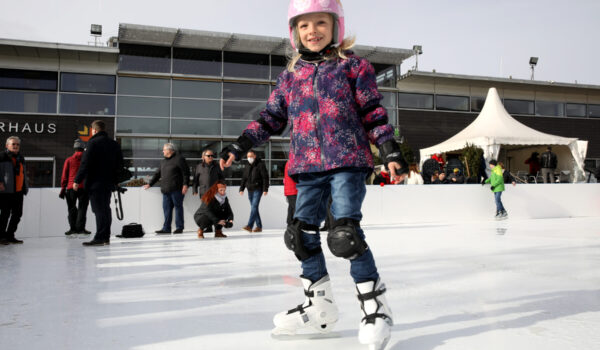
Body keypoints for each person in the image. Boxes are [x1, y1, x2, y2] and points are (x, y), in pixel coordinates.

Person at [219, 1, 406, 347]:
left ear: (336, 26)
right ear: (294, 33)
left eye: (320, 23)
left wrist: (389, 149)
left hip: (347, 160)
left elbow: (373, 112)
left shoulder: (353, 67)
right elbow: (270, 118)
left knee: (344, 235)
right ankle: (319, 305)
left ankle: (375, 307)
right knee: (300, 237)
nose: (312, 31)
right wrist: (238, 144)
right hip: (306, 166)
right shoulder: (291, 77)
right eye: (304, 26)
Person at [73, 120, 124, 246]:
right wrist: (116, 181)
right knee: (106, 209)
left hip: (95, 183)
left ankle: (100, 237)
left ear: (94, 130)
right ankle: (105, 237)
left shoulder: (92, 143)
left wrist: (77, 180)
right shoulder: (114, 144)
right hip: (108, 184)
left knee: (99, 210)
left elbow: (85, 163)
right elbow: (120, 165)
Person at [143, 143, 190, 234]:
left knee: (178, 208)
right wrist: (150, 184)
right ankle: (166, 229)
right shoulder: (163, 161)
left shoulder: (179, 159)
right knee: (167, 209)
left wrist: (185, 185)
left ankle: (179, 227)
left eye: (164, 149)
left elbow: (186, 173)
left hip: (177, 189)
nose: (163, 151)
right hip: (165, 190)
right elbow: (157, 174)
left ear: (170, 150)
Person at [0, 136, 28, 245]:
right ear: (7, 145)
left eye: (17, 144)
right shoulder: (2, 156)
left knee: (17, 214)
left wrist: (25, 186)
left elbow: (23, 173)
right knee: (4, 214)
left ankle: (10, 235)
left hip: (18, 191)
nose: (16, 146)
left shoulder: (21, 158)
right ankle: (1, 236)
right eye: (13, 144)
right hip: (5, 191)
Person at [59, 139, 90, 236]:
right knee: (82, 208)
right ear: (83, 148)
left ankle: (72, 229)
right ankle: (81, 229)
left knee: (72, 208)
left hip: (71, 187)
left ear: (75, 148)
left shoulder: (69, 160)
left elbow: (64, 176)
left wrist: (63, 189)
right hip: (84, 187)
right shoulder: (87, 160)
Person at [238, 150, 269, 233]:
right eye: (248, 157)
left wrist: (265, 189)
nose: (249, 158)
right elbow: (244, 178)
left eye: (251, 156)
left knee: (254, 207)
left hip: (258, 189)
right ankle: (259, 226)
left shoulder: (260, 165)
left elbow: (265, 177)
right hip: (249, 190)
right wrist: (241, 189)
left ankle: (249, 226)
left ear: (254, 156)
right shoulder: (247, 165)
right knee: (254, 208)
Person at [283, 161, 298, 226]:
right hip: (292, 189)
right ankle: (294, 224)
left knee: (291, 207)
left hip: (292, 189)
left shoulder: (291, 162)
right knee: (296, 207)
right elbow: (293, 175)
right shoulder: (291, 162)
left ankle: (290, 222)